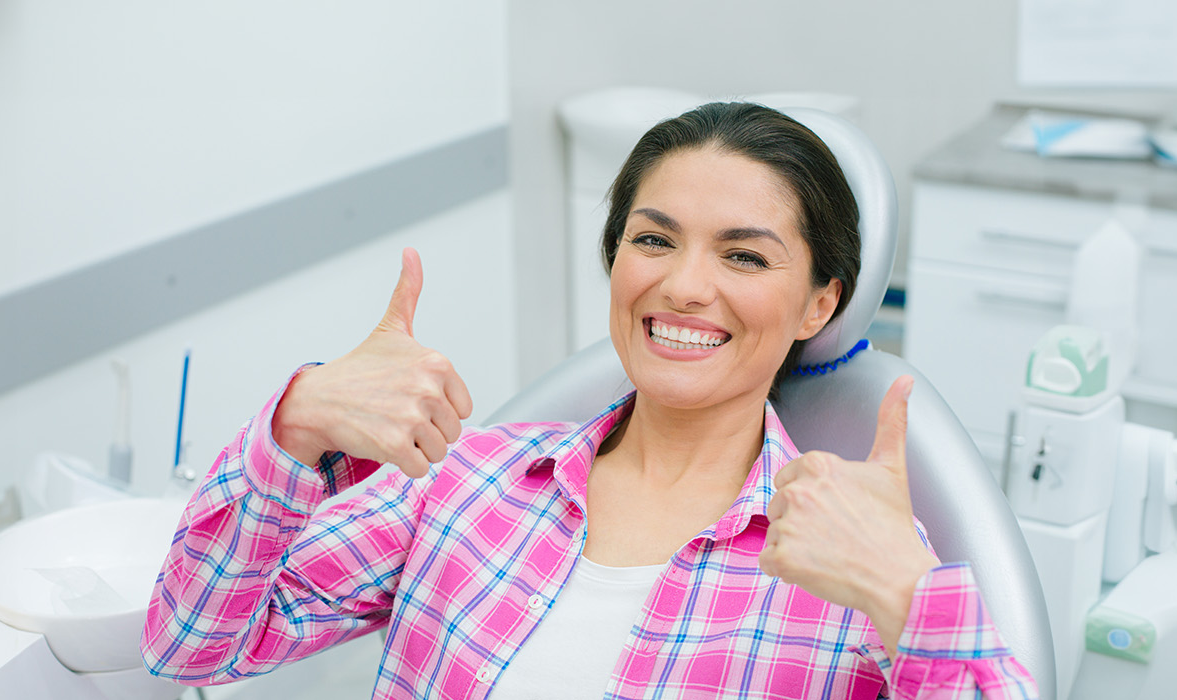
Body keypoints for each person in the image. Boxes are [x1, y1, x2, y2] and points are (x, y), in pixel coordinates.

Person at [140, 102, 1038, 699]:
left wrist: (906, 595)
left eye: (744, 255)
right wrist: (296, 427)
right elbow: (193, 644)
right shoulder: (468, 481)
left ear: (820, 303)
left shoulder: (850, 553)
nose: (685, 285)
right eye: (654, 239)